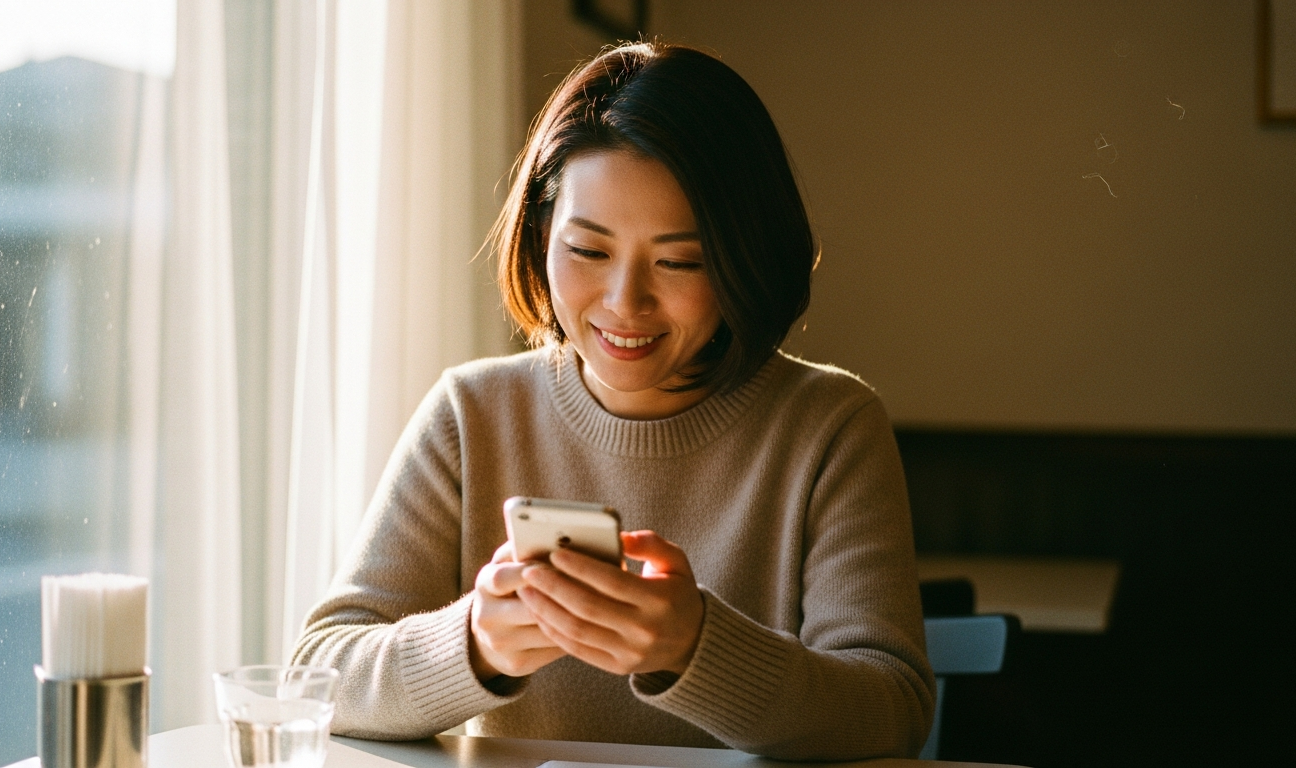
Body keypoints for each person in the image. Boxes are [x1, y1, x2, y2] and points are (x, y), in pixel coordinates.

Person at [291, 41, 934, 761]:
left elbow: (892, 709)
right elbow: (319, 673)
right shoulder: (472, 414)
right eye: (589, 252)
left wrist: (695, 648)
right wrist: (473, 644)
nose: (626, 303)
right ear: (542, 236)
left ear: (744, 258)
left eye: (679, 261)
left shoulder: (830, 426)